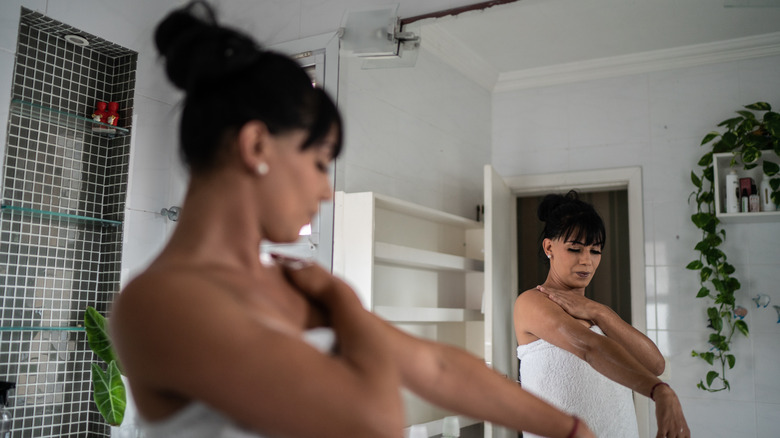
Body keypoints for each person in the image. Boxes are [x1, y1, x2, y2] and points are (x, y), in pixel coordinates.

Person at [111, 2, 596, 438]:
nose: (326, 189)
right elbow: (372, 425)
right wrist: (343, 305)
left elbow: (437, 368)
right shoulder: (164, 301)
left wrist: (571, 430)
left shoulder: (286, 279)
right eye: (320, 162)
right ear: (257, 146)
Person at [513, 191, 690, 438]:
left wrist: (600, 312)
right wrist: (658, 391)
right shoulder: (531, 302)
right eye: (575, 249)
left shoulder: (594, 313)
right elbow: (590, 348)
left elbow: (655, 364)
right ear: (549, 247)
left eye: (595, 251)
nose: (587, 261)